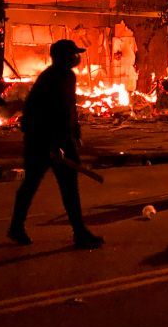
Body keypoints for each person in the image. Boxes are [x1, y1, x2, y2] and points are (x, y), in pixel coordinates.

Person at [8, 39, 104, 249]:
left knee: (67, 188)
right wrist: (54, 145)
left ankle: (79, 232)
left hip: (59, 140)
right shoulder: (52, 79)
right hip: (44, 142)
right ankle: (18, 227)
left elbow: (69, 109)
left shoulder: (66, 77)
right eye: (72, 54)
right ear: (62, 57)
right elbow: (46, 114)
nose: (76, 58)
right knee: (34, 184)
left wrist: (75, 132)